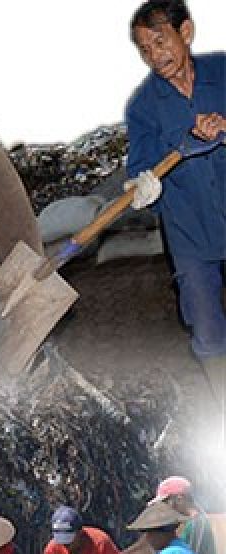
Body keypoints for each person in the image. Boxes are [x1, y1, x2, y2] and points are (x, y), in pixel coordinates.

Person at [124, 0, 226, 406]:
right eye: (145, 49)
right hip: (189, 229)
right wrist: (145, 186)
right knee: (205, 323)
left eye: (160, 41)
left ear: (186, 32)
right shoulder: (142, 107)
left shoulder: (223, 72)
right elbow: (141, 169)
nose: (155, 56)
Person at [153, 475, 222, 554]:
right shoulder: (193, 522)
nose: (164, 507)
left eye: (165, 502)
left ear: (179, 499)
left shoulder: (196, 524)